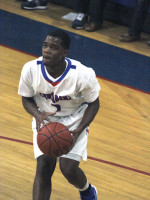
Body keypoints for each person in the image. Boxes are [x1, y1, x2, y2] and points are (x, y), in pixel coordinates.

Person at [18, 29, 101, 200]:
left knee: (68, 168)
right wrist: (37, 115)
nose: (47, 50)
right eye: (45, 46)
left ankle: (87, 191)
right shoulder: (30, 69)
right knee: (43, 166)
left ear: (65, 53)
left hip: (75, 120)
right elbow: (26, 99)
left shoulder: (82, 74)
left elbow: (94, 103)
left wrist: (79, 130)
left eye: (53, 47)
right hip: (45, 119)